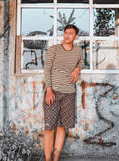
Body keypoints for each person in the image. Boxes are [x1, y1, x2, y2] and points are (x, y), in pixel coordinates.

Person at [43, 24, 84, 161]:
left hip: (69, 93)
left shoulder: (78, 51)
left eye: (70, 33)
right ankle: (47, 159)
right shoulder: (53, 49)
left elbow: (82, 62)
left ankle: (56, 158)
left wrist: (77, 69)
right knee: (49, 127)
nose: (67, 35)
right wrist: (49, 90)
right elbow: (46, 69)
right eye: (66, 33)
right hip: (53, 91)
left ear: (75, 36)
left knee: (62, 127)